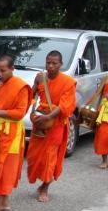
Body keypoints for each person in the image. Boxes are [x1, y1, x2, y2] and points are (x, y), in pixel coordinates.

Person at [25, 51, 77, 202]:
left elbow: (66, 106)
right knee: (34, 156)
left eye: (54, 63)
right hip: (40, 122)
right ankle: (41, 183)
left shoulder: (68, 82)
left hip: (56, 124)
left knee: (49, 156)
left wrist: (49, 116)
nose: (51, 66)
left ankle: (45, 188)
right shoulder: (41, 78)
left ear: (61, 65)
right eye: (48, 63)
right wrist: (36, 83)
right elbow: (31, 96)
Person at [0, 55, 32, 211]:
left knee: (6, 168)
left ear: (12, 69)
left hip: (12, 133)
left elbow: (19, 113)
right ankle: (3, 201)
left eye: (3, 71)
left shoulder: (21, 87)